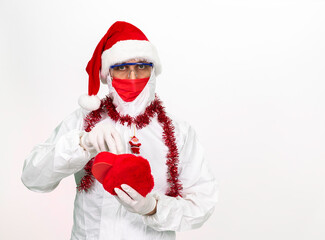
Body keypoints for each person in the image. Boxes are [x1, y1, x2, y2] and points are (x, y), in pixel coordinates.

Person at [21, 21, 218, 240]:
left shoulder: (178, 132)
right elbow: (33, 178)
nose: (133, 77)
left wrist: (152, 207)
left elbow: (203, 203)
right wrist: (82, 143)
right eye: (122, 68)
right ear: (109, 74)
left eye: (141, 66)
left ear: (153, 71)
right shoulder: (83, 121)